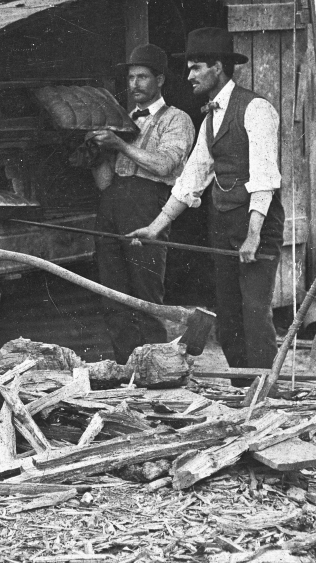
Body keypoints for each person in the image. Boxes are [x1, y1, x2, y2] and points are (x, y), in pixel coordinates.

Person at [129, 28, 284, 370]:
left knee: (255, 314)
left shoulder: (256, 108)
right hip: (224, 224)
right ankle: (242, 386)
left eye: (196, 67)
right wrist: (155, 227)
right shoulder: (211, 116)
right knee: (228, 317)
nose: (189, 76)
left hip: (255, 225)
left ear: (217, 67)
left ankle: (266, 392)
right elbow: (193, 177)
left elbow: (264, 176)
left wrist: (254, 234)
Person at [86, 44, 195, 362]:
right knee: (112, 292)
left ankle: (157, 366)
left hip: (149, 206)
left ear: (160, 80)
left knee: (146, 292)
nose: (135, 84)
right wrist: (96, 154)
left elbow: (165, 166)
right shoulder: (120, 119)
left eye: (143, 77)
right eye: (131, 77)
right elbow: (105, 182)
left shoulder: (177, 120)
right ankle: (125, 366)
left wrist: (120, 144)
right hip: (112, 203)